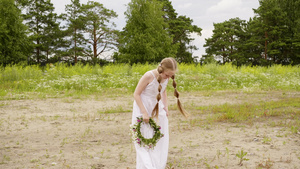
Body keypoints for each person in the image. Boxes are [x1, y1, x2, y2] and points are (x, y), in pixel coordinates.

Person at [131, 57, 189, 169]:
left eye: (171, 76)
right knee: (144, 137)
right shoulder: (149, 76)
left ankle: (157, 165)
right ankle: (147, 166)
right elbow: (136, 94)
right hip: (143, 106)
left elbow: (163, 90)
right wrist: (144, 112)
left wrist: (165, 106)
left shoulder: (166, 77)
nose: (168, 78)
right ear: (161, 69)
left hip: (157, 106)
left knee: (160, 137)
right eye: (167, 75)